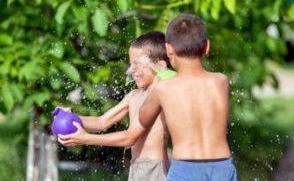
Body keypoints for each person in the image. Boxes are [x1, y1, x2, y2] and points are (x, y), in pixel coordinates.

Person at [58, 31, 171, 181]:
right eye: (131, 64)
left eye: (137, 64)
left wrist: (86, 138)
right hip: (136, 167)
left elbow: (130, 138)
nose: (131, 70)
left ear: (159, 66)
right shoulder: (134, 96)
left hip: (155, 170)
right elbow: (101, 122)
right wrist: (71, 117)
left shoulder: (160, 94)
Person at [138, 14, 238, 180]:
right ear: (206, 46)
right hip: (223, 167)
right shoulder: (220, 81)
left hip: (186, 168)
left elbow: (143, 119)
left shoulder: (163, 88)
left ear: (168, 49)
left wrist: (155, 84)